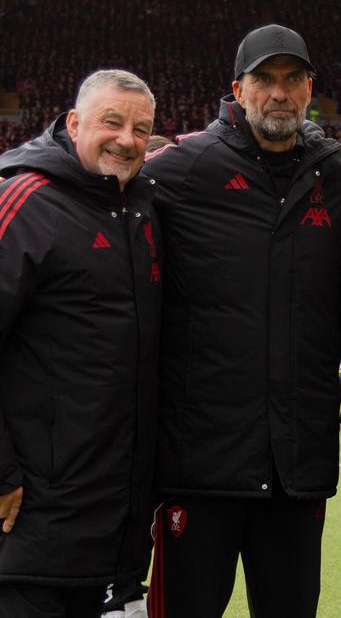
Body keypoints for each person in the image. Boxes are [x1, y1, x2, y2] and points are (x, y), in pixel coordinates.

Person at [142, 24, 341, 618]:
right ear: (238, 90)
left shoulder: (331, 177)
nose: (280, 93)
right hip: (200, 469)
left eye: (293, 79)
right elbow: (94, 192)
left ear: (310, 89)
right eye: (264, 79)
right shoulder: (183, 167)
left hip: (295, 469)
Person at [0, 70, 161, 618]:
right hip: (30, 526)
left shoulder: (139, 208)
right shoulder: (24, 199)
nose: (127, 140)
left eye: (141, 129)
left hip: (108, 533)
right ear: (73, 123)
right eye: (112, 122)